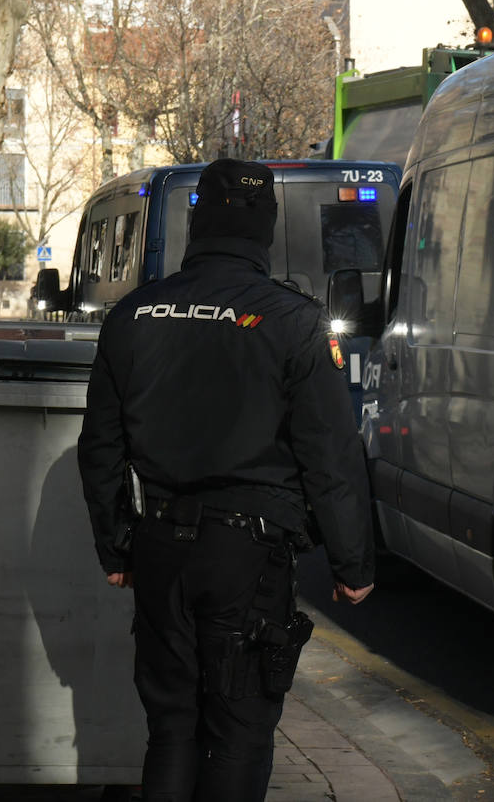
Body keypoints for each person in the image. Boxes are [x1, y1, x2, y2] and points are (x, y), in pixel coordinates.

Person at [78, 158, 375, 802]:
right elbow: (331, 455)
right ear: (263, 231)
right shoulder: (293, 322)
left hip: (159, 547)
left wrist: (116, 545)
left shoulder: (134, 315)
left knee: (172, 727)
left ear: (197, 225)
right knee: (238, 731)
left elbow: (99, 445)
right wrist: (353, 564)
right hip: (249, 555)